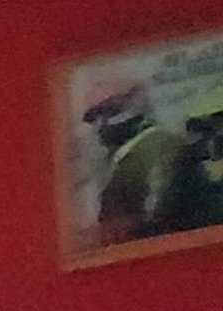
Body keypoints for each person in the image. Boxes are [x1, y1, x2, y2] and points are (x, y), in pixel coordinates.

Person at [85, 79, 219, 246]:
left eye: (111, 111)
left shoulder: (157, 144)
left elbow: (155, 217)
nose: (100, 124)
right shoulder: (120, 157)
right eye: (94, 117)